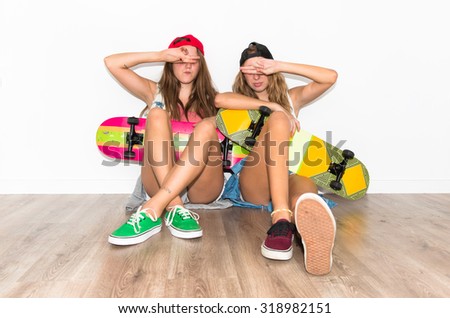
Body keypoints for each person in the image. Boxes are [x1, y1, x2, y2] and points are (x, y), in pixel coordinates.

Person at [215, 42, 338, 275]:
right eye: (250, 70)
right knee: (279, 120)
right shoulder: (239, 101)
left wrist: (281, 65)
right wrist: (273, 107)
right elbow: (220, 100)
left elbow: (330, 77)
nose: (256, 75)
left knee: (306, 192)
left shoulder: (292, 99)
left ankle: (310, 238)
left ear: (272, 70)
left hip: (287, 174)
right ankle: (281, 217)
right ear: (242, 74)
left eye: (262, 68)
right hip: (254, 182)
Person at [104, 35, 224, 245]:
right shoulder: (154, 92)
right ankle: (174, 205)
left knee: (207, 126)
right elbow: (112, 63)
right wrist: (159, 55)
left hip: (202, 185)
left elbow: (250, 112)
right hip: (158, 180)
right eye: (179, 61)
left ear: (201, 65)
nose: (186, 66)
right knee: (157, 114)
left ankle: (153, 210)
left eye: (192, 61)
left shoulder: (215, 99)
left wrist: (216, 118)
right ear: (170, 64)